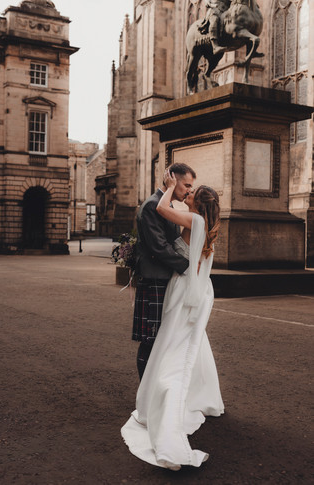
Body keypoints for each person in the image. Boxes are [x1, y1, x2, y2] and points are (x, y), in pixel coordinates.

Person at [121, 171, 224, 471]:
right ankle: (201, 395)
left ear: (199, 204)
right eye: (187, 186)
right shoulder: (200, 220)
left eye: (192, 192)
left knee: (175, 345)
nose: (187, 193)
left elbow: (163, 209)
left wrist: (167, 188)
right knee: (191, 343)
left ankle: (167, 400)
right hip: (191, 287)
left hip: (184, 286)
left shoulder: (196, 221)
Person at [133, 163, 196, 380]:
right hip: (154, 281)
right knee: (150, 338)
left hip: (163, 279)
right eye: (186, 185)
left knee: (161, 338)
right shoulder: (152, 205)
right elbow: (159, 247)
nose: (189, 190)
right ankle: (145, 393)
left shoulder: (165, 205)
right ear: (172, 180)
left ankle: (154, 390)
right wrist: (187, 268)